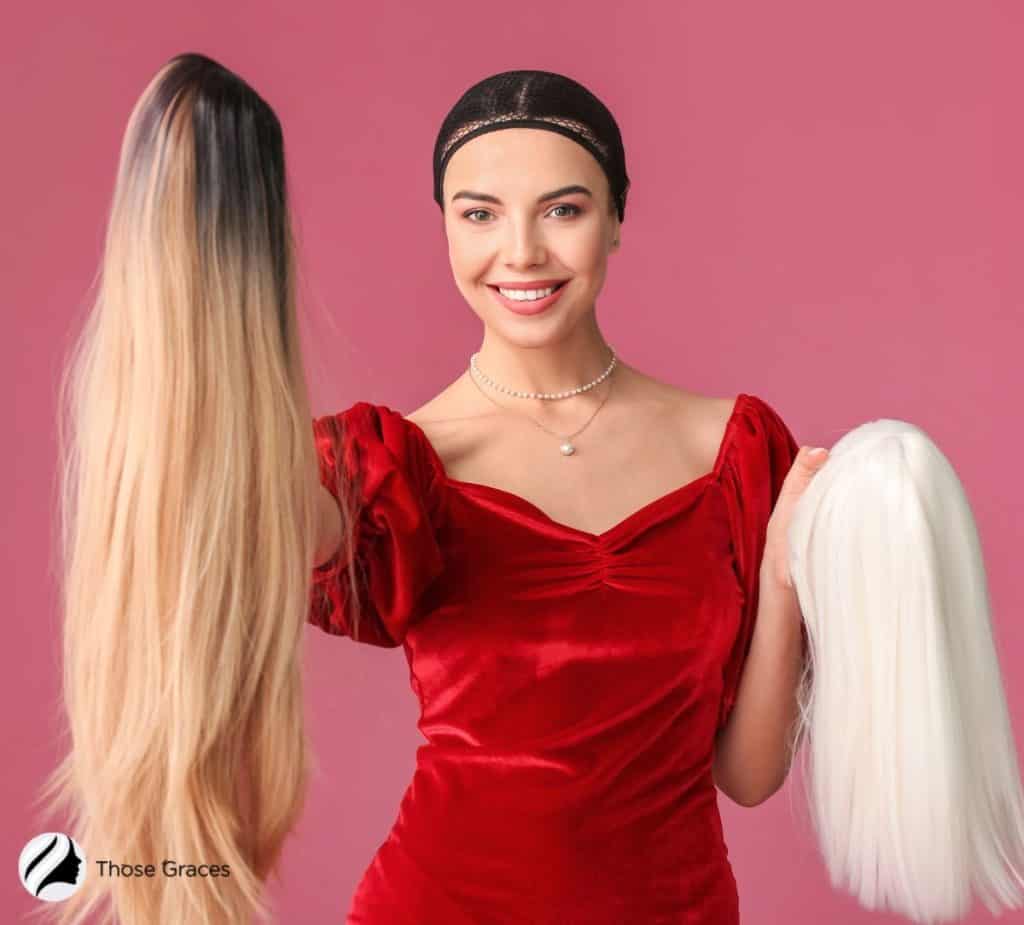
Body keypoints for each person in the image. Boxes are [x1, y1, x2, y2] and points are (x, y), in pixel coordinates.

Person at [310, 70, 824, 923]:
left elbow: (749, 773)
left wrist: (781, 577)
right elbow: (223, 539)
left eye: (563, 210)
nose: (520, 252)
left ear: (617, 219)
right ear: (443, 226)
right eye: (479, 213)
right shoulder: (388, 465)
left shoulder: (736, 449)